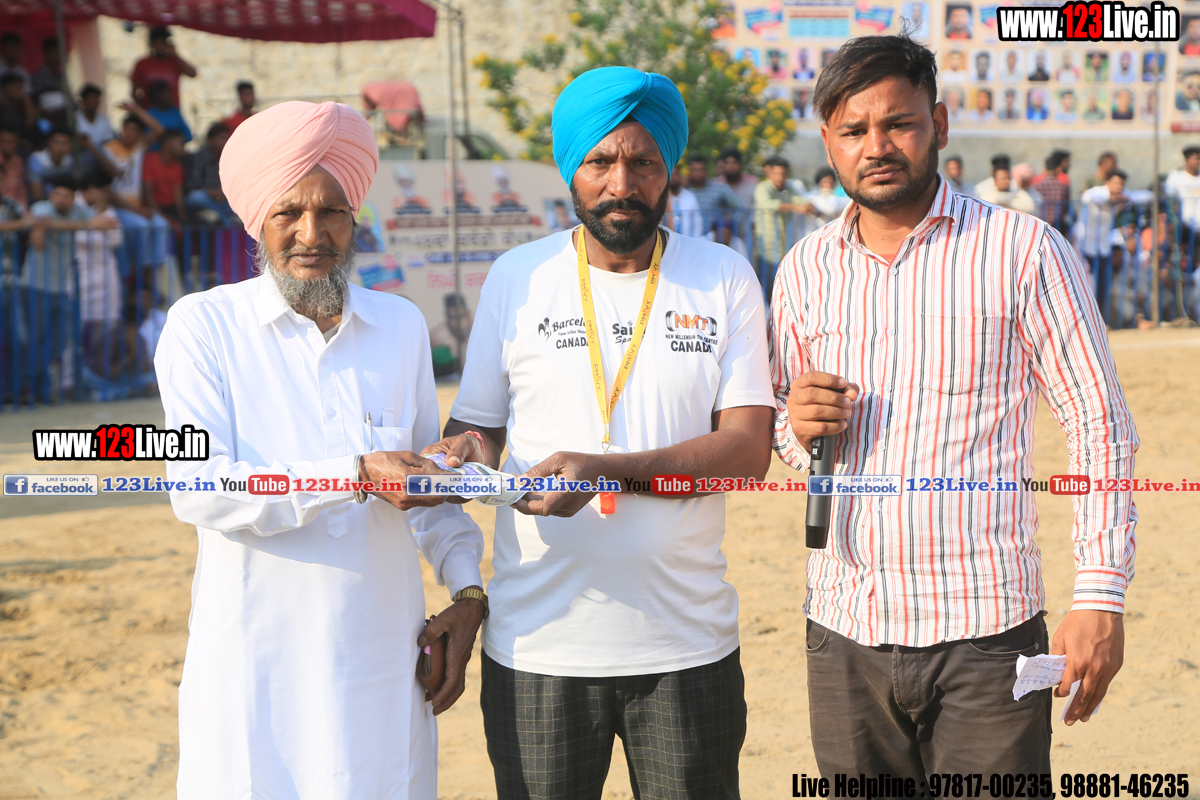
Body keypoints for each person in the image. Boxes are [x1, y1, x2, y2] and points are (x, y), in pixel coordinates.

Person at [770, 32, 1137, 781]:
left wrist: (1100, 594)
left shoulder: (1024, 251)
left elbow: (1099, 425)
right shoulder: (805, 268)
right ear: (828, 143)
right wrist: (795, 427)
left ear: (937, 123)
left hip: (989, 637)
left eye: (898, 123)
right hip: (843, 630)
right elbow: (782, 428)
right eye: (853, 130)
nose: (877, 146)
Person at [443, 65, 774, 800]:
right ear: (571, 169)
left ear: (669, 170)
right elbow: (478, 428)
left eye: (644, 162)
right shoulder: (518, 277)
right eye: (599, 161)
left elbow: (749, 452)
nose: (622, 183)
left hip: (687, 645)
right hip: (538, 648)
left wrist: (604, 470)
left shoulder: (722, 277)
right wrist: (459, 454)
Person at [155, 100, 487, 798]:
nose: (312, 234)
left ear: (354, 218)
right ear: (257, 221)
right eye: (289, 213)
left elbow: (428, 494)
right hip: (258, 672)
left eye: (332, 212)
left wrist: (466, 590)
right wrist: (355, 472)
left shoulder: (399, 325)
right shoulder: (202, 327)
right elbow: (200, 489)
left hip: (382, 664)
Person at [17, 175, 119, 401]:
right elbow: (39, 236)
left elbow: (105, 223)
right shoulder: (41, 207)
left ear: (74, 198)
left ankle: (37, 384)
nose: (60, 200)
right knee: (34, 339)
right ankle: (29, 389)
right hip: (35, 285)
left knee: (61, 339)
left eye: (66, 196)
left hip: (62, 287)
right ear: (50, 195)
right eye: (57, 194)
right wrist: (85, 225)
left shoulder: (78, 212)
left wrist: (99, 205)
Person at [1075, 170, 1153, 322]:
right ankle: (1085, 320)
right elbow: (1086, 197)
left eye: (1121, 184)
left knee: (1103, 285)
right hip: (1085, 246)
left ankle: (1099, 320)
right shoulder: (1098, 192)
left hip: (1103, 247)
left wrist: (1126, 198)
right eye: (1116, 183)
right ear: (1108, 183)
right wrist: (1110, 199)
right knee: (1086, 284)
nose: (1119, 186)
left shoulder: (1122, 194)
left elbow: (1145, 196)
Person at [103, 103, 169, 277]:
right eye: (127, 128)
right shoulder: (109, 148)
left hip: (136, 208)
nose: (130, 133)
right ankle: (141, 272)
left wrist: (135, 109)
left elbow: (159, 129)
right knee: (141, 226)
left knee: (161, 224)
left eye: (134, 130)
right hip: (118, 207)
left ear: (140, 133)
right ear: (122, 129)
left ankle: (153, 270)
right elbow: (108, 192)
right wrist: (137, 210)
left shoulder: (138, 148)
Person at [755, 155, 812, 267]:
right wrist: (794, 207)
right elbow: (767, 204)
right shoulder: (762, 188)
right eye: (776, 173)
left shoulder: (788, 188)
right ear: (769, 173)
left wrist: (809, 206)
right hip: (765, 249)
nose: (780, 177)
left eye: (783, 174)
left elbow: (800, 200)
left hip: (783, 247)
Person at [130, 26, 197, 109]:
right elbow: (134, 90)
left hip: (172, 110)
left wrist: (175, 54)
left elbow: (193, 74)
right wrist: (143, 110)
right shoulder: (142, 63)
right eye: (157, 43)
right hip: (150, 110)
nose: (160, 46)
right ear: (151, 44)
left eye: (163, 42)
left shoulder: (174, 61)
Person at [186, 121, 236, 225]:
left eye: (226, 138)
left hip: (223, 200)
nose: (225, 142)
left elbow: (234, 186)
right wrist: (215, 193)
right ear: (210, 140)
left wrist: (223, 195)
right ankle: (225, 221)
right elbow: (194, 186)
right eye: (221, 138)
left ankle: (219, 217)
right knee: (196, 197)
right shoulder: (199, 157)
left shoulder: (229, 157)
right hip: (206, 199)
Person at [686, 152, 744, 241]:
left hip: (714, 240)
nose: (698, 173)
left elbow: (740, 208)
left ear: (706, 171)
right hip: (689, 239)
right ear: (689, 171)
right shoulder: (684, 191)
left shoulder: (719, 188)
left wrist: (729, 226)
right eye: (695, 170)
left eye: (701, 169)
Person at [1164, 145, 1200, 268]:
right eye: (1197, 158)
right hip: (1185, 227)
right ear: (1187, 160)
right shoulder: (1176, 176)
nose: (1199, 162)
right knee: (1184, 262)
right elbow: (1169, 196)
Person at [143, 128, 186, 223]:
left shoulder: (177, 166)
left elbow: (178, 196)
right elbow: (148, 193)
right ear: (168, 144)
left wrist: (182, 218)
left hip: (170, 209)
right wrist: (162, 216)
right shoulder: (150, 159)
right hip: (152, 209)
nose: (183, 147)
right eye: (180, 143)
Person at [27, 127, 76, 202]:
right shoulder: (37, 159)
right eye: (57, 142)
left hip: (62, 202)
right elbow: (36, 192)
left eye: (65, 143)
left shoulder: (69, 161)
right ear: (49, 142)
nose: (60, 147)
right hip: (40, 202)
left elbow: (69, 188)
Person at [1032, 149, 1071, 234]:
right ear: (1058, 168)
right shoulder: (1063, 184)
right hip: (1057, 225)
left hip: (1040, 223)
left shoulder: (1036, 183)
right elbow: (1066, 206)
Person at [144, 79, 192, 145]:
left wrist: (174, 140)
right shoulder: (148, 114)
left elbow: (188, 136)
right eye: (166, 93)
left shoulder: (175, 112)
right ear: (157, 96)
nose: (171, 96)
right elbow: (145, 139)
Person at [30, 36, 66, 121]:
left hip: (62, 115)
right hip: (47, 118)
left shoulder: (60, 76)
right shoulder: (39, 76)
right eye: (56, 52)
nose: (59, 55)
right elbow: (37, 100)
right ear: (48, 53)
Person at [667, 169, 702, 237]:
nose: (673, 177)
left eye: (675, 174)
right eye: (670, 174)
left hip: (689, 240)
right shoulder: (662, 199)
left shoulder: (690, 196)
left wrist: (695, 239)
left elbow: (698, 222)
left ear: (680, 176)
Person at [0, 123, 27, 209]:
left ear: (17, 143)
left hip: (14, 209)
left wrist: (24, 210)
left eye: (11, 142)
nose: (7, 145)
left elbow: (21, 190)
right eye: (4, 141)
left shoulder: (18, 162)